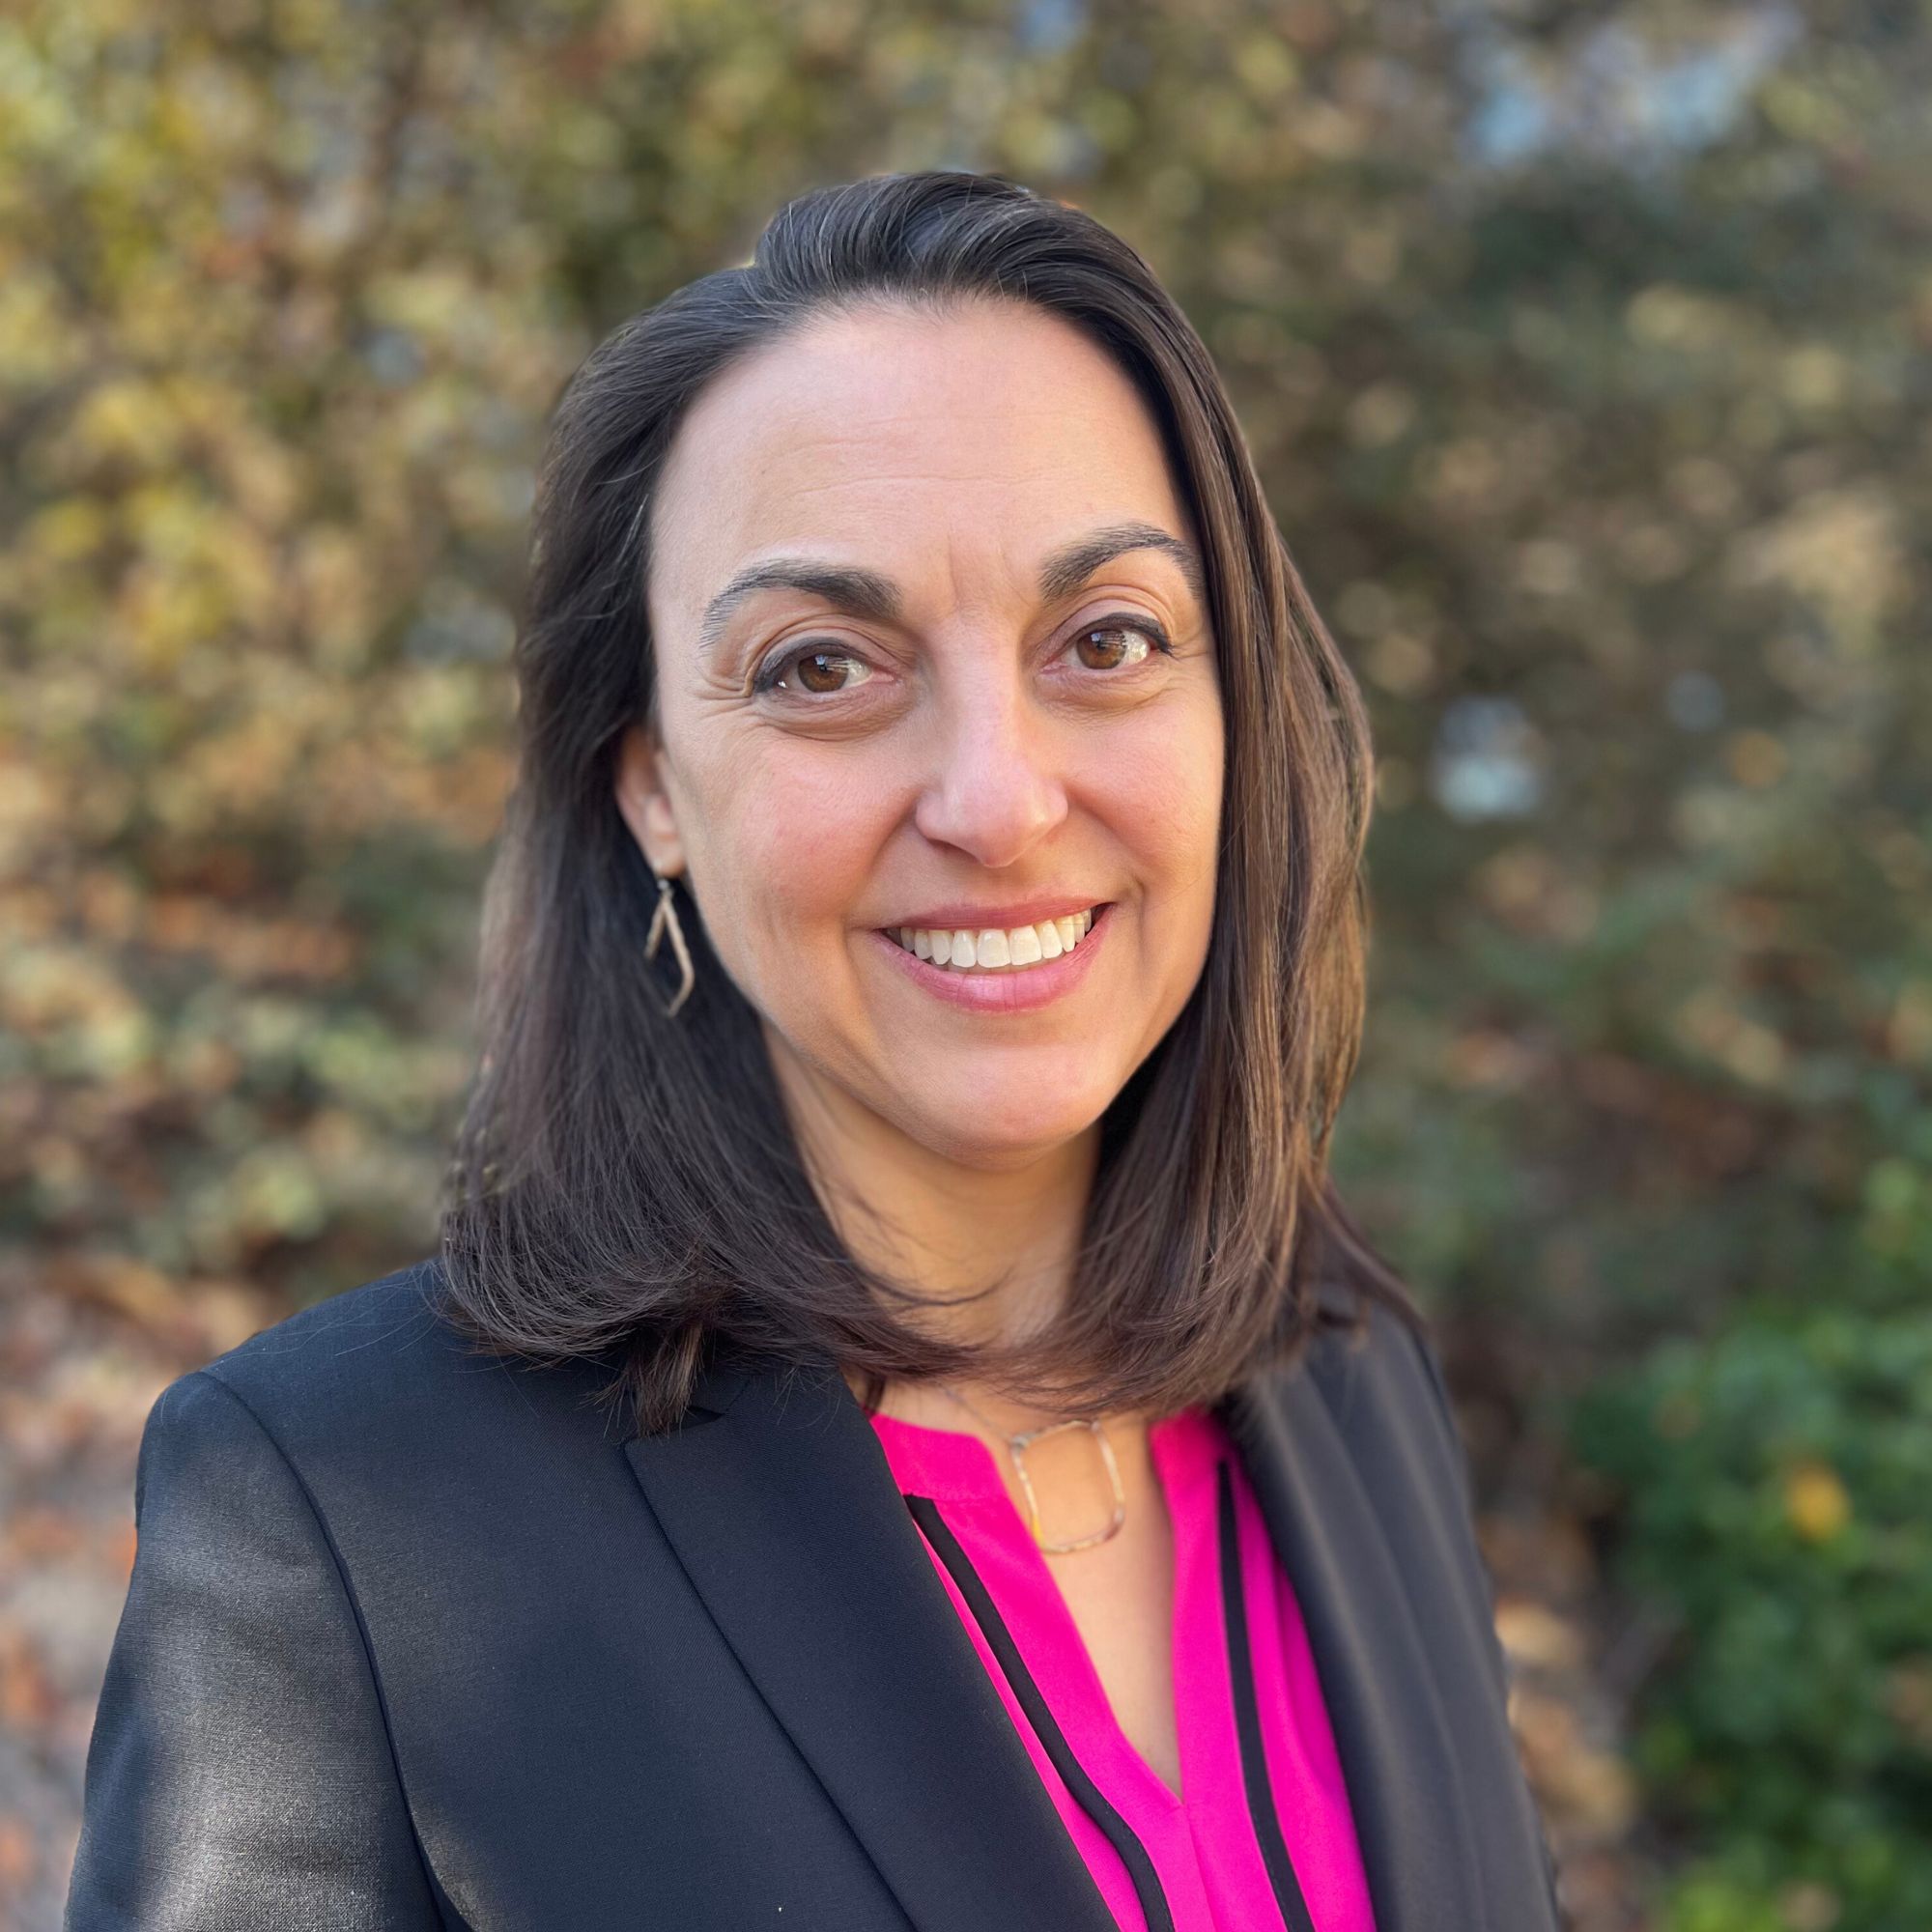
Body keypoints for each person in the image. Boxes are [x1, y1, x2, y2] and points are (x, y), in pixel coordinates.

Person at [65, 170, 1564, 1931]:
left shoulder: (1348, 1368)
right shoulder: (345, 1519)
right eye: (823, 668)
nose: (999, 800)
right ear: (652, 791)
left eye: (1108, 640)